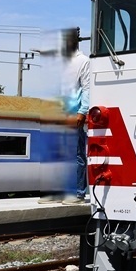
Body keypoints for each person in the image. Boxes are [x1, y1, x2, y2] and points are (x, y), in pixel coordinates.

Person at [61, 27, 90, 204]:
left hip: (75, 112)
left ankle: (79, 192)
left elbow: (87, 88)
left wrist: (82, 111)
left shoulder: (83, 61)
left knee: (77, 153)